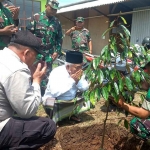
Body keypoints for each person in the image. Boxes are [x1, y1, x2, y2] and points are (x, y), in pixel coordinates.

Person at [0, 30, 56, 149]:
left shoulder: (3, 57)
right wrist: (36, 81)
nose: (35, 60)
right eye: (35, 56)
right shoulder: (17, 69)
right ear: (26, 53)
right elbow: (27, 111)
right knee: (48, 126)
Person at [26, 0, 63, 95]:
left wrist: (57, 51)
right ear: (46, 6)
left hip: (49, 54)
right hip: (35, 53)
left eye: (55, 10)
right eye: (52, 9)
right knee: (32, 73)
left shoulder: (57, 22)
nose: (54, 11)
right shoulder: (36, 18)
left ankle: (43, 95)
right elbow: (28, 35)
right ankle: (30, 93)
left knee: (46, 74)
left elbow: (59, 38)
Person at [43, 51, 90, 123]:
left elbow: (85, 87)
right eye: (77, 67)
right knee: (50, 102)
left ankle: (70, 115)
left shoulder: (79, 72)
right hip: (56, 101)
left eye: (81, 67)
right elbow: (54, 92)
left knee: (85, 97)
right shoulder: (57, 72)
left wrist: (77, 82)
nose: (80, 70)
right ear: (68, 67)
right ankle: (55, 119)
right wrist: (72, 81)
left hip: (70, 101)